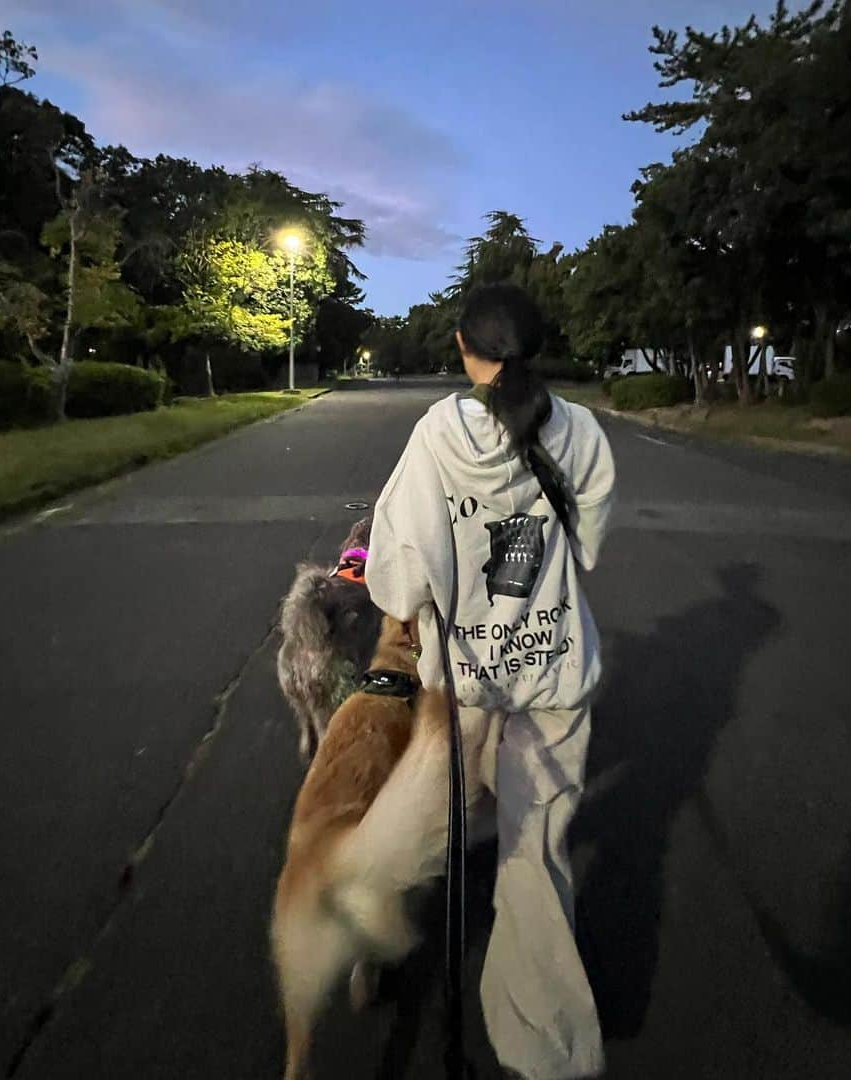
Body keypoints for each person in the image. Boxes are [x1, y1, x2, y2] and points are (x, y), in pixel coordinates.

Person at [366, 283, 615, 1080]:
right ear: (533, 348)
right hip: (554, 678)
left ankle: (359, 941)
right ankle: (547, 1053)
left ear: (463, 346)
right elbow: (589, 548)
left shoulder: (440, 434)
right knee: (533, 856)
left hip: (465, 685)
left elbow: (399, 580)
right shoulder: (579, 430)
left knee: (421, 826)